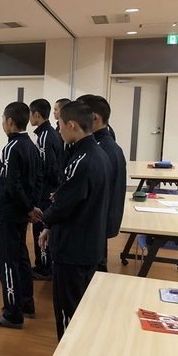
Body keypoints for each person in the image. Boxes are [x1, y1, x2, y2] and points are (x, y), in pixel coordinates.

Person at [38, 100, 111, 342]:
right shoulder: (99, 154)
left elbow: (63, 204)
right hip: (88, 244)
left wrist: (44, 219)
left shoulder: (84, 159)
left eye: (59, 125)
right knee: (81, 308)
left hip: (73, 248)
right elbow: (70, 195)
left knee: (67, 309)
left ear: (71, 125)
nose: (58, 131)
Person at [0, 102, 41, 329]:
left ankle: (12, 313)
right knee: (21, 258)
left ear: (10, 121)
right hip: (22, 213)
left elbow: (11, 184)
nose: (2, 123)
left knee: (7, 263)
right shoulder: (31, 146)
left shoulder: (12, 148)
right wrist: (32, 206)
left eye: (2, 119)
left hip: (11, 214)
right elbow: (38, 180)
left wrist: (28, 208)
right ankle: (26, 304)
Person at [79, 94, 127, 272]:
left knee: (93, 269)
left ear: (95, 118)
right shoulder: (109, 145)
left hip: (95, 222)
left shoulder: (98, 149)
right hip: (101, 220)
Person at [29, 99, 62, 281]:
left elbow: (46, 168)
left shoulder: (45, 137)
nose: (29, 118)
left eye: (30, 114)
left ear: (36, 115)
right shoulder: (52, 133)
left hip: (45, 193)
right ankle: (46, 265)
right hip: (51, 190)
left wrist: (39, 194)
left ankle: (43, 268)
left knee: (40, 230)